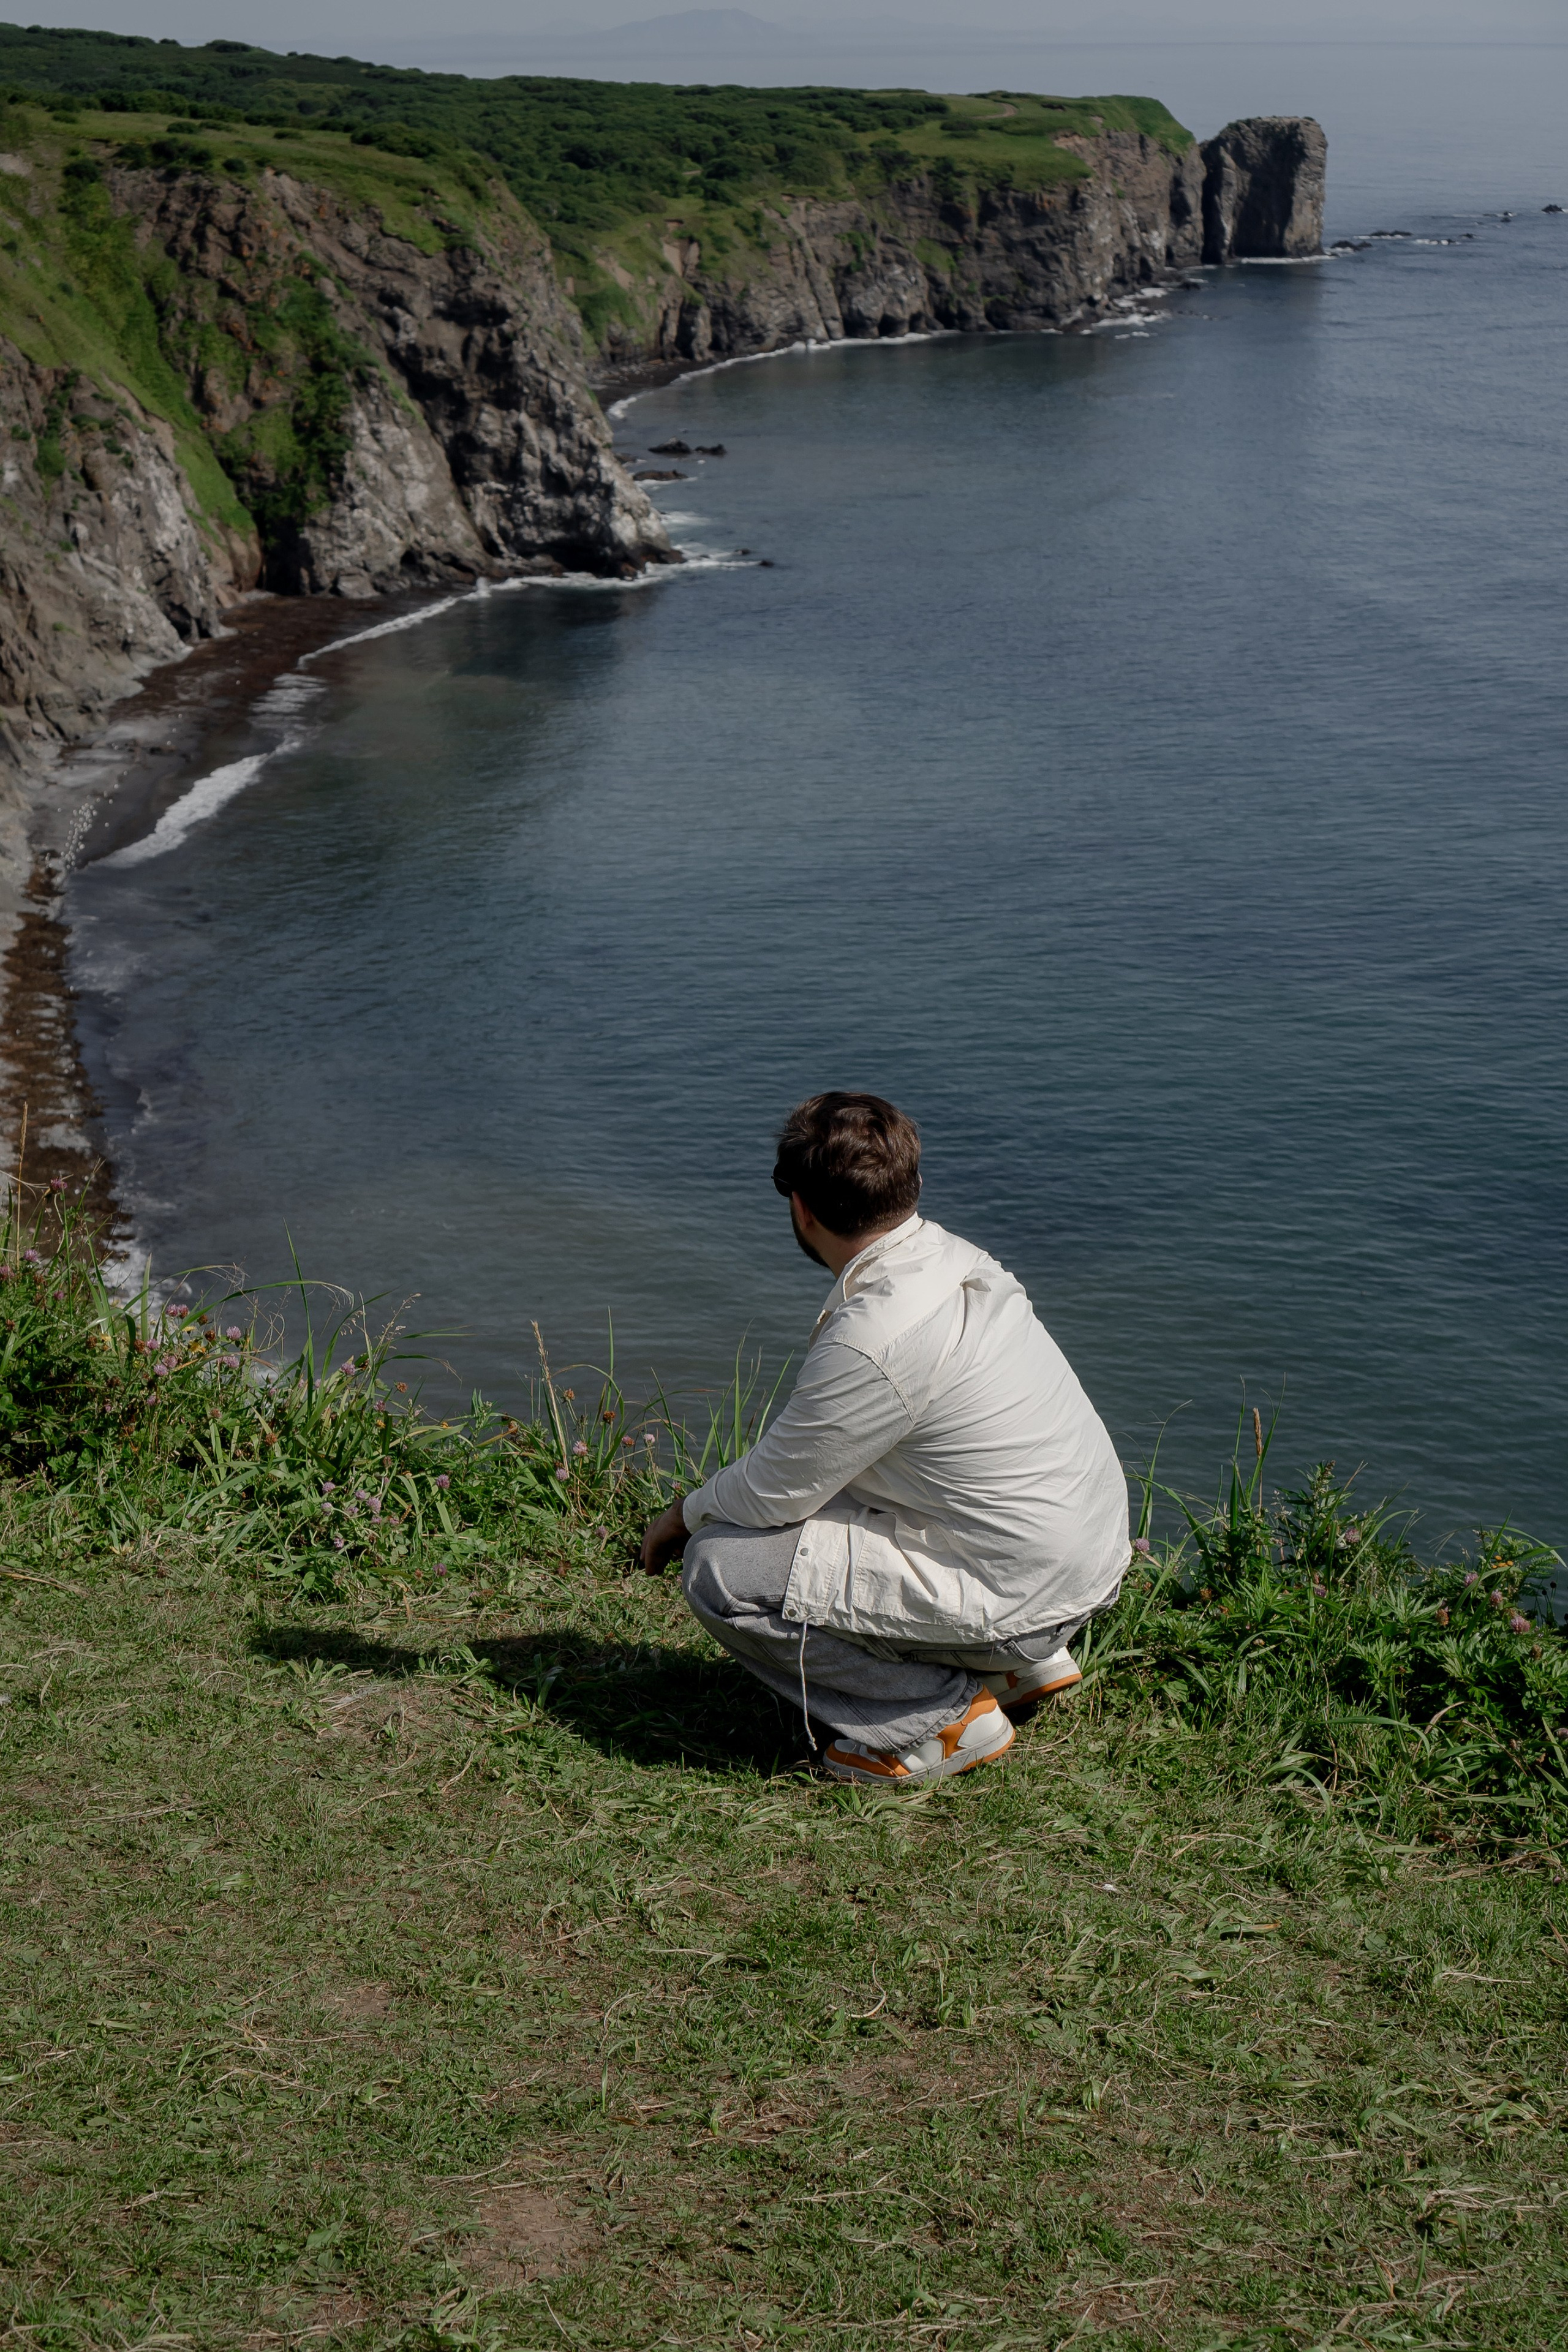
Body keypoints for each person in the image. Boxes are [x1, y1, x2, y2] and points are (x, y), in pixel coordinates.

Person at [639, 1092, 1130, 1788]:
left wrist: (683, 1515)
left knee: (720, 1568)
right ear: (912, 1184)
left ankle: (937, 1722)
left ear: (801, 1209)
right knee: (818, 1515)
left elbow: (774, 1492)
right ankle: (1015, 1670)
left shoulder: (876, 1335)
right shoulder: (959, 1261)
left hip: (1023, 1599)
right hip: (1077, 1566)